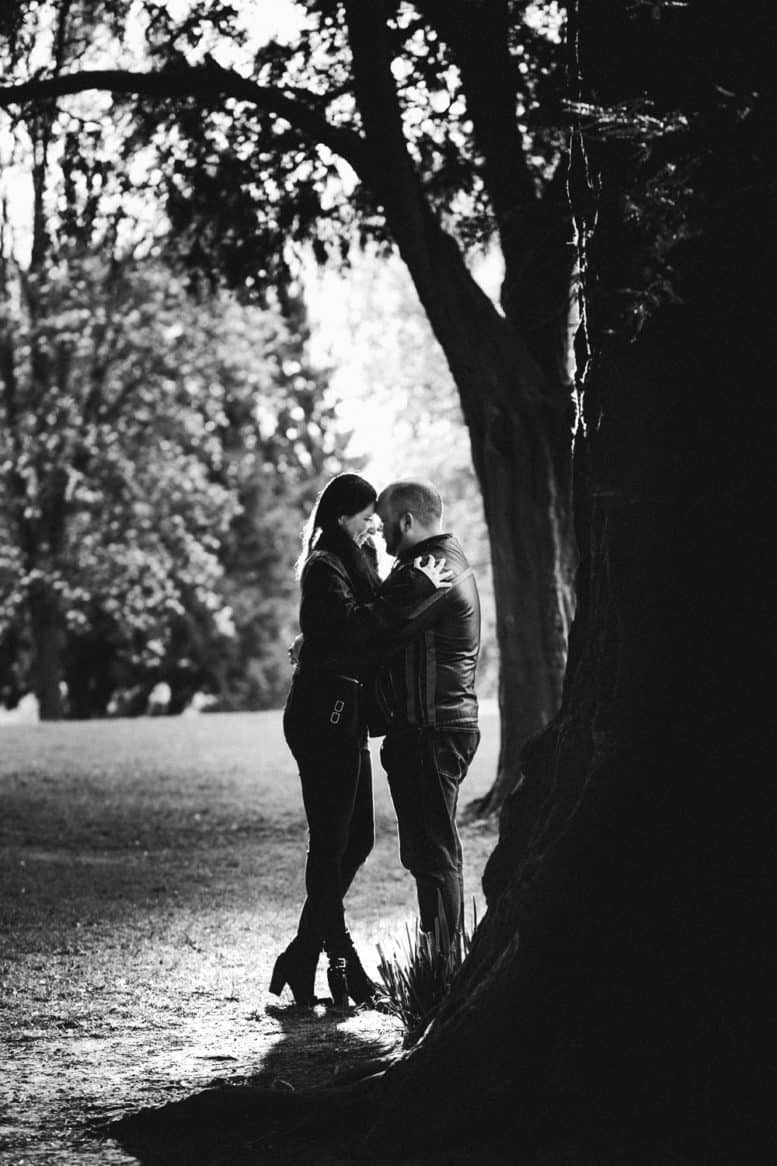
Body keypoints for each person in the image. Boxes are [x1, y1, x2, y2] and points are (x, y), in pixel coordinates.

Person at [271, 473, 449, 1008]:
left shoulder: (352, 559)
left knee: (355, 840)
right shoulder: (325, 565)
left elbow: (357, 622)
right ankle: (341, 964)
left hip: (342, 717)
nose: (376, 522)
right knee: (334, 842)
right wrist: (414, 591)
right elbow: (355, 629)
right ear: (343, 515)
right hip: (322, 719)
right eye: (368, 513)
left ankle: (303, 957)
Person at [375, 479, 481, 946]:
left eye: (381, 526)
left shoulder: (432, 567)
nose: (379, 536)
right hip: (427, 727)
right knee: (423, 852)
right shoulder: (431, 563)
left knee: (434, 853)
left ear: (406, 521)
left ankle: (443, 967)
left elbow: (378, 626)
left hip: (434, 728)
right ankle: (438, 958)